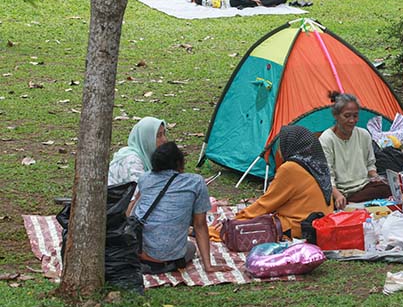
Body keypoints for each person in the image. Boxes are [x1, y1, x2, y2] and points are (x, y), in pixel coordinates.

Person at [130, 143, 229, 274]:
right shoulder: (195, 182)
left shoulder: (145, 178)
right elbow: (200, 225)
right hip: (166, 259)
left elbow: (130, 213)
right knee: (190, 247)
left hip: (137, 254)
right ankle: (164, 264)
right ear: (178, 162)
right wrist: (208, 266)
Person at [232, 126, 334, 237]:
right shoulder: (318, 163)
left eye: (281, 144)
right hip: (324, 225)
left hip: (301, 227)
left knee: (237, 230)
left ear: (290, 145)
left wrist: (239, 218)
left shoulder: (290, 168)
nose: (279, 150)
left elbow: (267, 204)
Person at [320, 92, 392, 209]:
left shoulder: (363, 135)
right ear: (336, 116)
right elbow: (327, 175)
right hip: (339, 190)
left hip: (363, 187)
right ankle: (348, 203)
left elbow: (370, 165)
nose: (352, 120)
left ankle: (351, 204)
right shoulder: (327, 139)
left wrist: (376, 177)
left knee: (387, 188)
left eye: (355, 116)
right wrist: (338, 195)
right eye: (347, 116)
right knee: (323, 199)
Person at [108, 117, 167, 186]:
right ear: (146, 139)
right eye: (158, 136)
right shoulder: (131, 160)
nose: (164, 140)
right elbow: (143, 189)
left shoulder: (149, 157)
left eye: (164, 134)